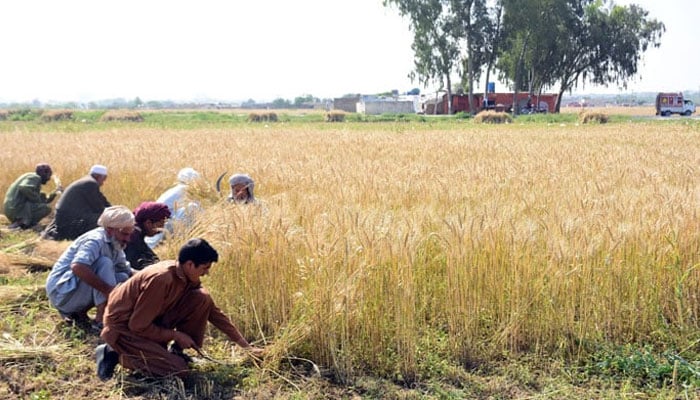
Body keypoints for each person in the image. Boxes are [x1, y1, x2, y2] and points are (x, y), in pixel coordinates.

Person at [96, 238, 263, 380]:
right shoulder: (162, 279)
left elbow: (213, 311)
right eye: (204, 268)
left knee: (202, 298)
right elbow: (137, 325)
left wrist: (245, 346)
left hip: (149, 322)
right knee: (178, 370)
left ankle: (174, 352)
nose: (206, 274)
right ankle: (115, 353)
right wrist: (175, 334)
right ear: (190, 264)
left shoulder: (184, 275)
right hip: (125, 329)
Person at [45, 205, 135, 331]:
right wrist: (109, 290)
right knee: (104, 263)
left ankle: (81, 313)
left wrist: (151, 275)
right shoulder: (95, 240)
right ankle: (101, 319)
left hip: (75, 292)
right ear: (110, 230)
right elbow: (78, 267)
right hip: (62, 293)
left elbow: (127, 271)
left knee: (123, 277)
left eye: (130, 234)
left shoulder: (115, 243)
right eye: (125, 234)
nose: (128, 239)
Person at [42, 164, 111, 241]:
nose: (103, 182)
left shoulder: (86, 181)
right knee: (106, 220)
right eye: (104, 178)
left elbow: (102, 200)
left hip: (63, 220)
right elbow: (98, 208)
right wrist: (114, 215)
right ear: (98, 176)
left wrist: (116, 210)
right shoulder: (90, 184)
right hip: (69, 223)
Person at [145, 167, 201, 249]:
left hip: (159, 223)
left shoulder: (176, 189)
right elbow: (199, 208)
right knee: (192, 207)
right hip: (163, 224)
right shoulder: (184, 189)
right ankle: (182, 241)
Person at [3, 163, 62, 230]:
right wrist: (36, 200)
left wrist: (55, 192)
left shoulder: (30, 176)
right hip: (16, 209)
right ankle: (22, 223)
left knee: (42, 196)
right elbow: (24, 187)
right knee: (46, 208)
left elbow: (44, 200)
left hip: (11, 209)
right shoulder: (35, 177)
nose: (48, 179)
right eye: (49, 175)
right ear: (44, 173)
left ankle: (24, 222)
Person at [125, 201, 171, 271]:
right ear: (148, 223)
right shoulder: (132, 238)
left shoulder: (137, 235)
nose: (161, 229)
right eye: (160, 225)